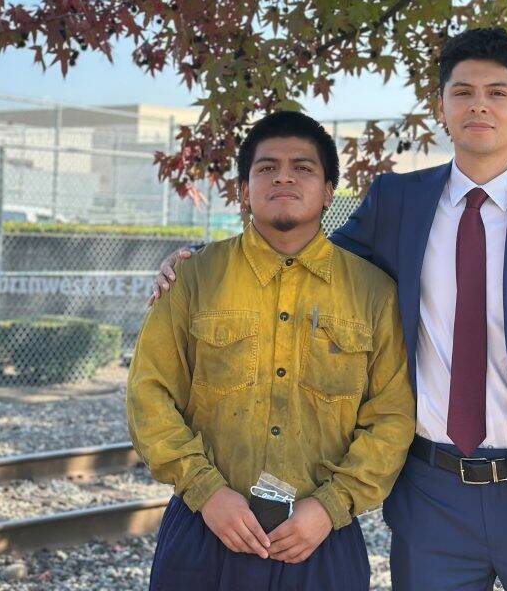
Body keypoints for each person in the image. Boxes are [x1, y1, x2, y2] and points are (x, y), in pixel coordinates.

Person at [153, 27, 507, 591]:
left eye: (498, 92)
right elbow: (309, 256)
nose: (479, 105)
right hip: (434, 498)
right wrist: (200, 260)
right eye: (462, 92)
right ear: (442, 108)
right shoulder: (399, 202)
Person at [128, 111, 416, 591]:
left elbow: (392, 417)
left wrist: (331, 506)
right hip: (206, 532)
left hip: (321, 540)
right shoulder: (195, 278)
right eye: (266, 168)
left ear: (328, 192)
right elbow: (148, 394)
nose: (283, 176)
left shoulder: (373, 294)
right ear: (243, 189)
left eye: (303, 167)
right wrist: (207, 490)